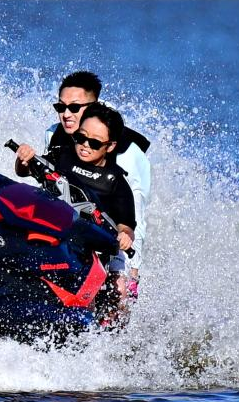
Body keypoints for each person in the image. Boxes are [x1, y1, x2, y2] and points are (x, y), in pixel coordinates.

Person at [15, 71, 151, 296]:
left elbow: (134, 220)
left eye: (75, 108)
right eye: (61, 107)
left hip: (115, 222)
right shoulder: (55, 135)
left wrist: (130, 269)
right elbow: (50, 181)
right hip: (73, 220)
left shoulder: (127, 156)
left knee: (121, 283)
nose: (66, 115)